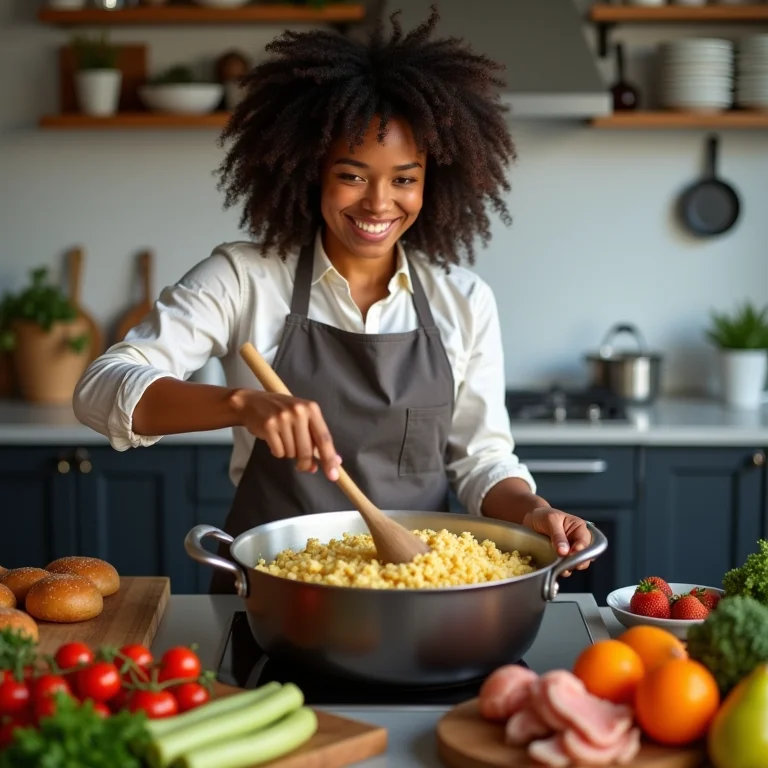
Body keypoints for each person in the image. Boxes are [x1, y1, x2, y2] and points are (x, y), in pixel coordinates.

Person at [73, 5, 593, 593]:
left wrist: (531, 510)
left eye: (403, 178)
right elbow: (100, 388)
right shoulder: (245, 278)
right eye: (352, 175)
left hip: (417, 591)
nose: (378, 203)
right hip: (272, 587)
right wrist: (241, 404)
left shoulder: (464, 300)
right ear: (311, 171)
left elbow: (480, 462)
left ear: (432, 181)